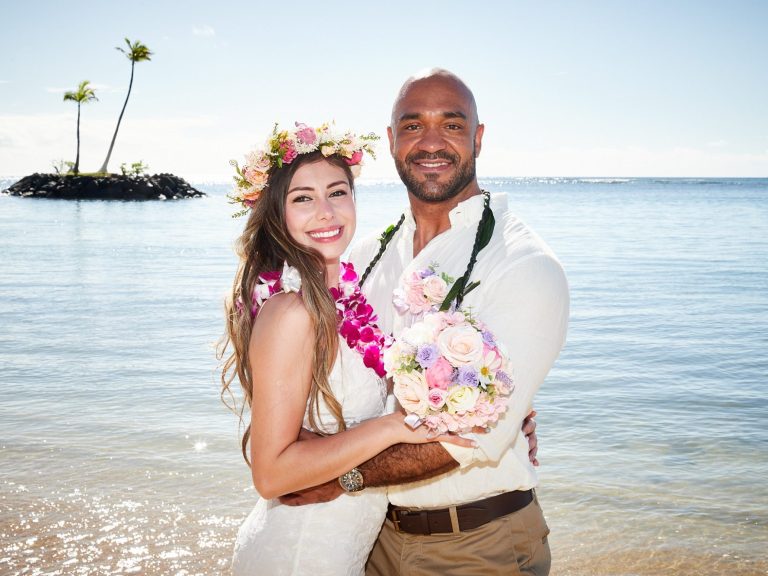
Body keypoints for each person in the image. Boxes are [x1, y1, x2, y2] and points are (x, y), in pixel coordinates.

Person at [282, 70, 569, 575]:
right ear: (391, 142)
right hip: (367, 536)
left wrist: (336, 475)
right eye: (413, 126)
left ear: (478, 138)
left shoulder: (524, 265)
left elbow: (473, 440)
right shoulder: (364, 257)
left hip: (475, 544)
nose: (431, 142)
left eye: (452, 126)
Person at [219, 123, 476, 576]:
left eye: (337, 192)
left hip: (340, 549)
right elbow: (271, 475)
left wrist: (487, 405)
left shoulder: (340, 298)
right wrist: (392, 428)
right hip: (301, 553)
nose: (326, 212)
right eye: (302, 198)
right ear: (275, 214)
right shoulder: (292, 312)